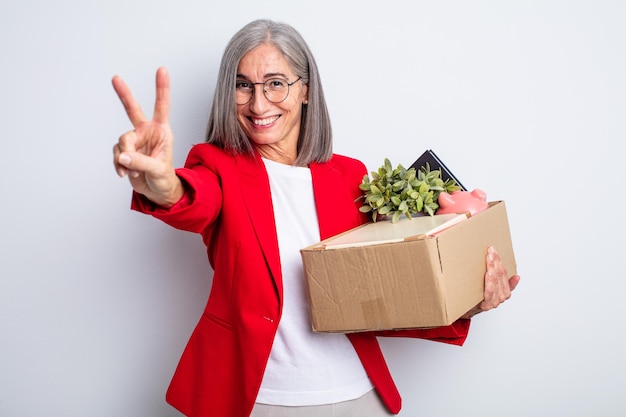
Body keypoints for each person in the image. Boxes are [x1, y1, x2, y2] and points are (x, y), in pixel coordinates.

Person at [112, 19, 520, 417]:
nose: (258, 104)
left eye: (276, 83)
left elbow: (382, 295)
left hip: (358, 394)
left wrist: (468, 303)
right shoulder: (217, 166)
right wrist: (161, 185)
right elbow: (193, 200)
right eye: (243, 86)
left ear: (305, 90)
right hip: (257, 399)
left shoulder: (351, 177)